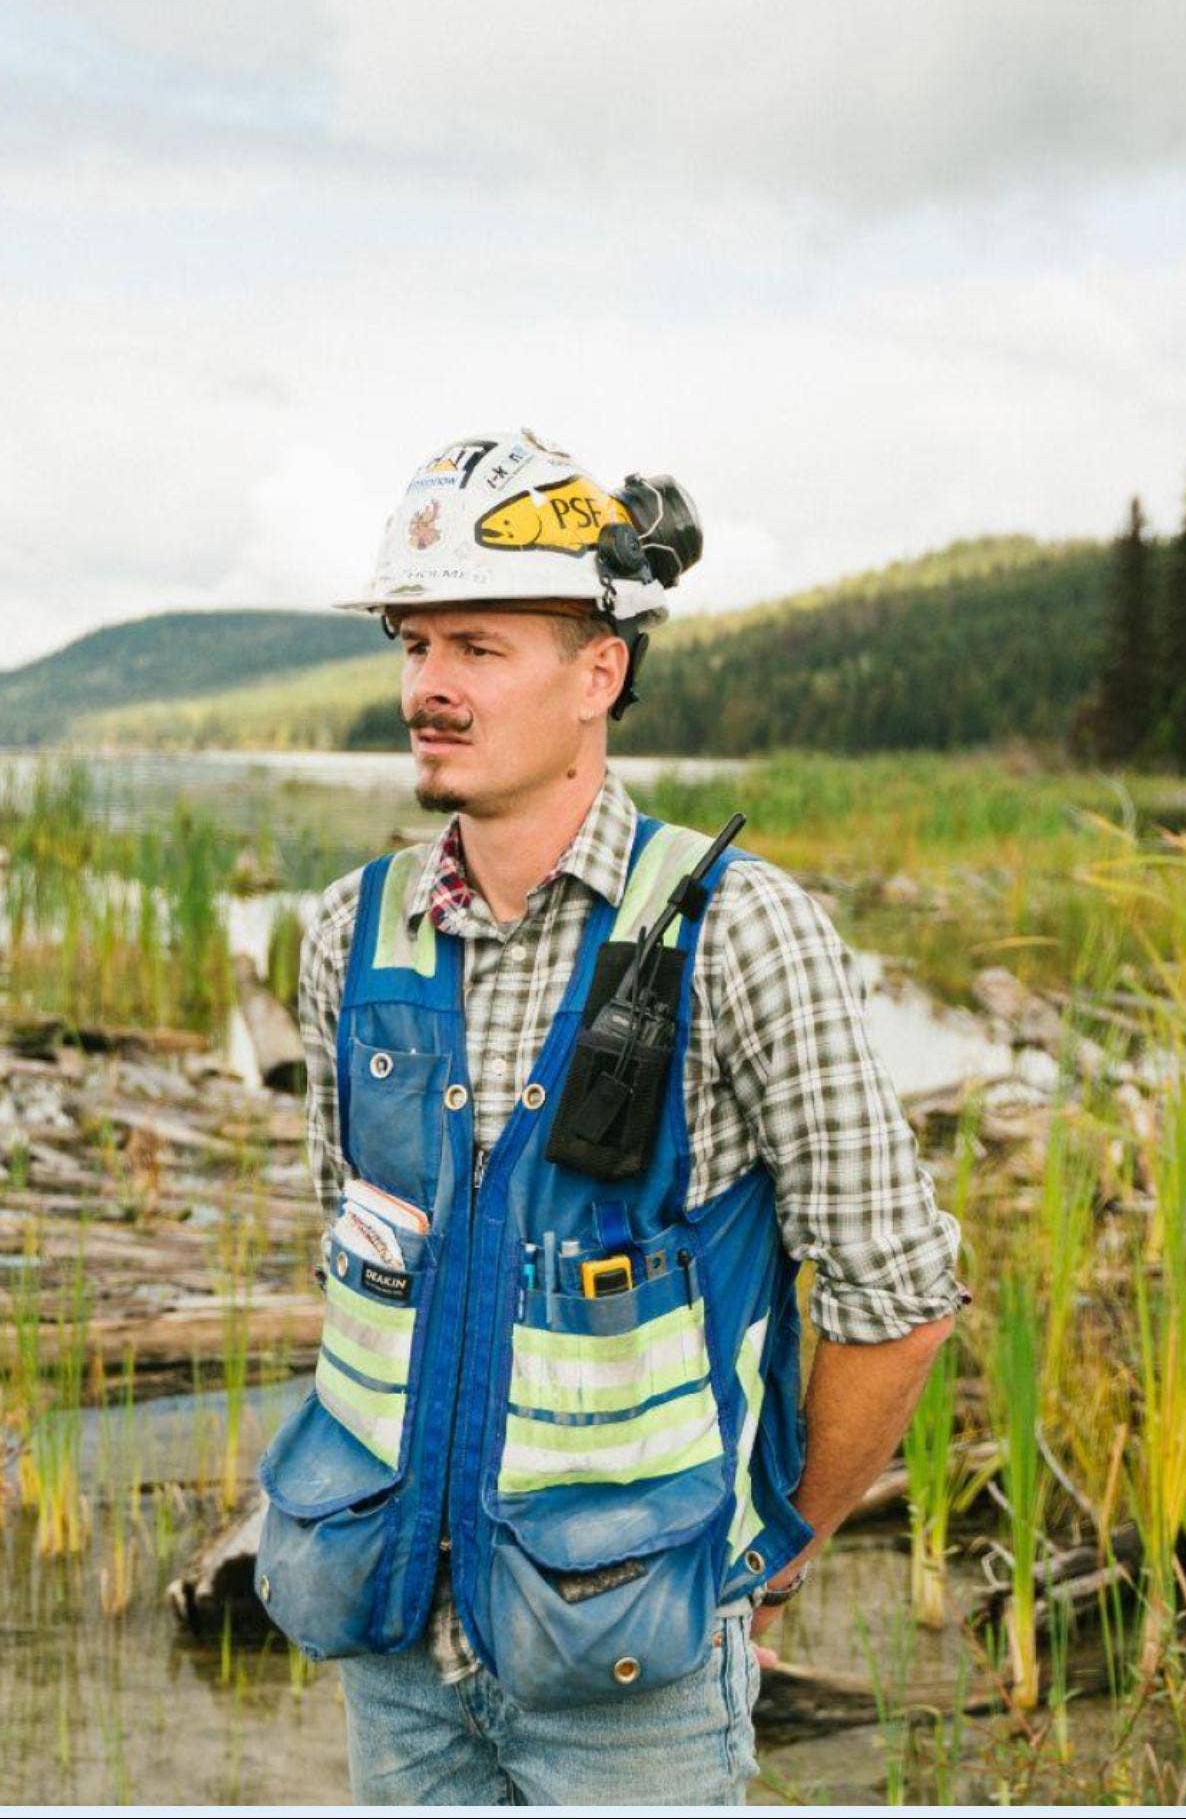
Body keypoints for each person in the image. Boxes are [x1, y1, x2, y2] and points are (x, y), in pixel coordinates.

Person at [257, 427, 965, 1807]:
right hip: (393, 1649)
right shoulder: (353, 932)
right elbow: (348, 1271)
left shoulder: (744, 933)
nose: (430, 689)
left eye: (479, 646)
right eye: (415, 645)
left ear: (601, 671)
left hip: (635, 1690)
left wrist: (774, 1556)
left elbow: (899, 1295)